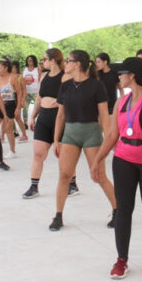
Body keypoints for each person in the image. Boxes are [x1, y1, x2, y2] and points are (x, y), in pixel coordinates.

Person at [90, 57, 142, 278]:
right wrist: (97, 160)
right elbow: (111, 135)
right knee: (123, 209)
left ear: (132, 75)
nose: (119, 76)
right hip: (124, 158)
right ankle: (121, 259)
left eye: (122, 72)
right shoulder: (121, 102)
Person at [49, 50, 116, 231]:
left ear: (77, 64)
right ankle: (58, 215)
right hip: (70, 133)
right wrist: (56, 139)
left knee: (99, 176)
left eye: (68, 61)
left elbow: (104, 115)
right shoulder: (66, 85)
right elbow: (60, 115)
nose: (65, 64)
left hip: (91, 133)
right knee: (64, 175)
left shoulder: (96, 86)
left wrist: (109, 139)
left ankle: (118, 210)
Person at [22, 49, 77, 199]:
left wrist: (61, 102)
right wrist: (33, 116)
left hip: (59, 117)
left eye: (45, 59)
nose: (42, 62)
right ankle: (34, 186)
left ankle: (72, 183)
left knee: (63, 155)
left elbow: (72, 96)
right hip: (44, 117)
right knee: (38, 153)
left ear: (53, 60)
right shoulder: (44, 76)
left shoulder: (65, 76)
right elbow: (39, 98)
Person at [0, 59, 19, 158]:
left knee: (8, 129)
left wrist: (18, 107)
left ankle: (12, 150)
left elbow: (19, 93)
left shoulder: (12, 78)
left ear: (5, 68)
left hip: (9, 104)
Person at [21, 54, 41, 142]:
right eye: (28, 60)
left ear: (34, 61)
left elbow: (40, 80)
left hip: (35, 91)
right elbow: (22, 80)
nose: (29, 62)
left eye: (31, 60)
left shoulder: (37, 69)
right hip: (27, 92)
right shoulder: (25, 69)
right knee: (25, 108)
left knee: (38, 108)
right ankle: (25, 123)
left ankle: (37, 122)